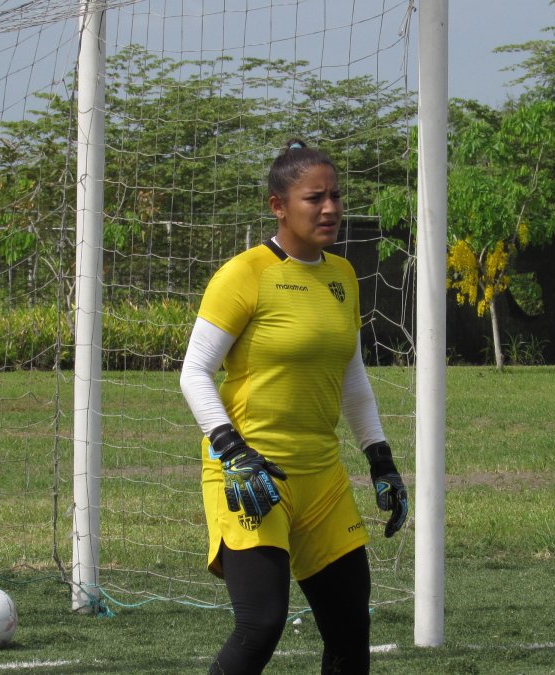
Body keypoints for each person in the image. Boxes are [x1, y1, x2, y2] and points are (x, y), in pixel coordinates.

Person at [179, 139, 409, 674]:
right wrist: (233, 451)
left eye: (335, 196)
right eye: (314, 198)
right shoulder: (245, 274)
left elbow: (351, 376)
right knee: (261, 624)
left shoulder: (343, 276)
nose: (330, 208)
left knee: (351, 629)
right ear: (278, 206)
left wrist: (381, 459)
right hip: (251, 475)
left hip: (322, 480)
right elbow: (194, 373)